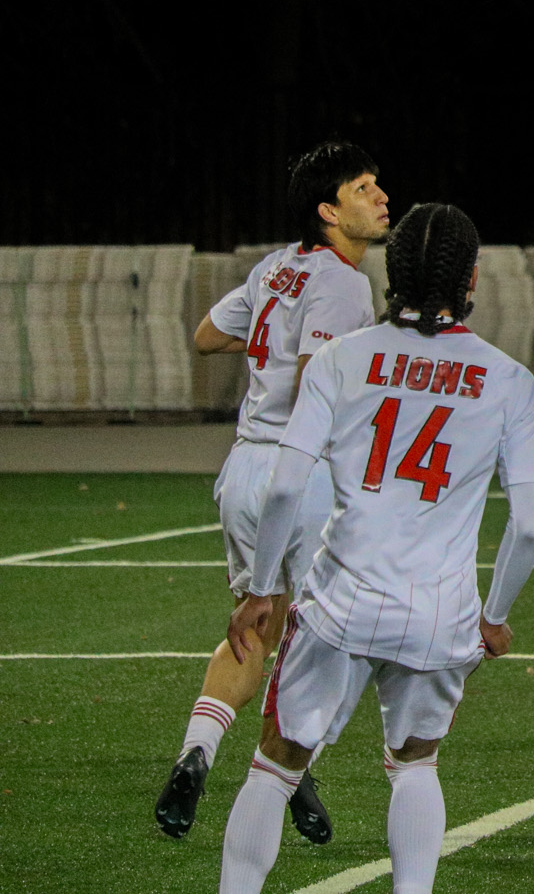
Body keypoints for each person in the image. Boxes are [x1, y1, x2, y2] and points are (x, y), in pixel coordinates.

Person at [213, 202, 534, 894]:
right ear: (472, 277)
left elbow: (284, 489)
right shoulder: (509, 378)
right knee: (416, 762)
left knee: (277, 764)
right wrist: (493, 613)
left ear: (393, 275)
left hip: (340, 597)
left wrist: (261, 587)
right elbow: (529, 525)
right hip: (438, 607)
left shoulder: (341, 357)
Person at [156, 140, 389, 843]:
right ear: (328, 210)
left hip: (246, 469)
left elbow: (204, 336)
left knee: (253, 623)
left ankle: (198, 749)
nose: (380, 197)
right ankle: (288, 765)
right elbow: (319, 378)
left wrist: (269, 346)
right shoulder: (345, 282)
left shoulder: (273, 268)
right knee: (318, 639)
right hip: (304, 471)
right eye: (364, 188)